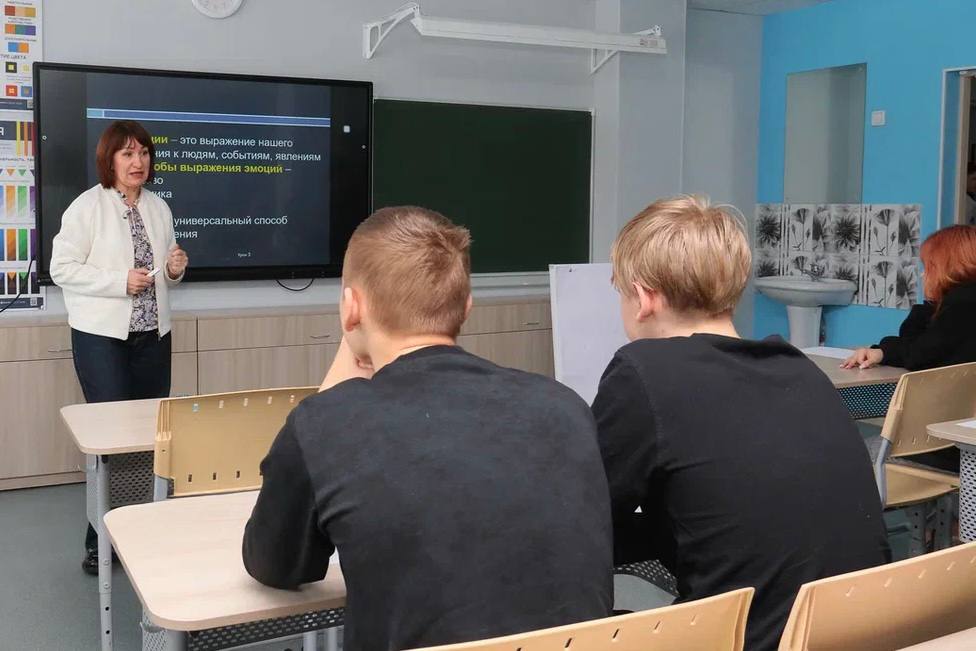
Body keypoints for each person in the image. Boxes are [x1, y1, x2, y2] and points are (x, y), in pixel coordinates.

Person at [242, 206, 612, 651]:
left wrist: (339, 369)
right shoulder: (565, 407)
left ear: (351, 308)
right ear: (466, 307)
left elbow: (274, 565)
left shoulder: (323, 424)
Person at [592, 196, 890, 651]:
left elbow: (587, 514)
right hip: (856, 630)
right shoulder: (799, 368)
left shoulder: (643, 372)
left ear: (644, 297)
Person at [50, 120, 189, 575]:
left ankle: (142, 534)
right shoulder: (87, 207)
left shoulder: (159, 207)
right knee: (110, 443)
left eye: (144, 153)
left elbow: (164, 276)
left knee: (150, 440)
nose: (138, 162)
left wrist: (174, 269)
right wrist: (118, 281)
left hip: (153, 338)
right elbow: (61, 268)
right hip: (101, 340)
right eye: (127, 153)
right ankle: (99, 542)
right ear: (109, 160)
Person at [842, 224, 976, 372]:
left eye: (928, 267)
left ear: (946, 267)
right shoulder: (964, 301)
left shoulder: (961, 305)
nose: (923, 275)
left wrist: (883, 351)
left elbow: (918, 355)